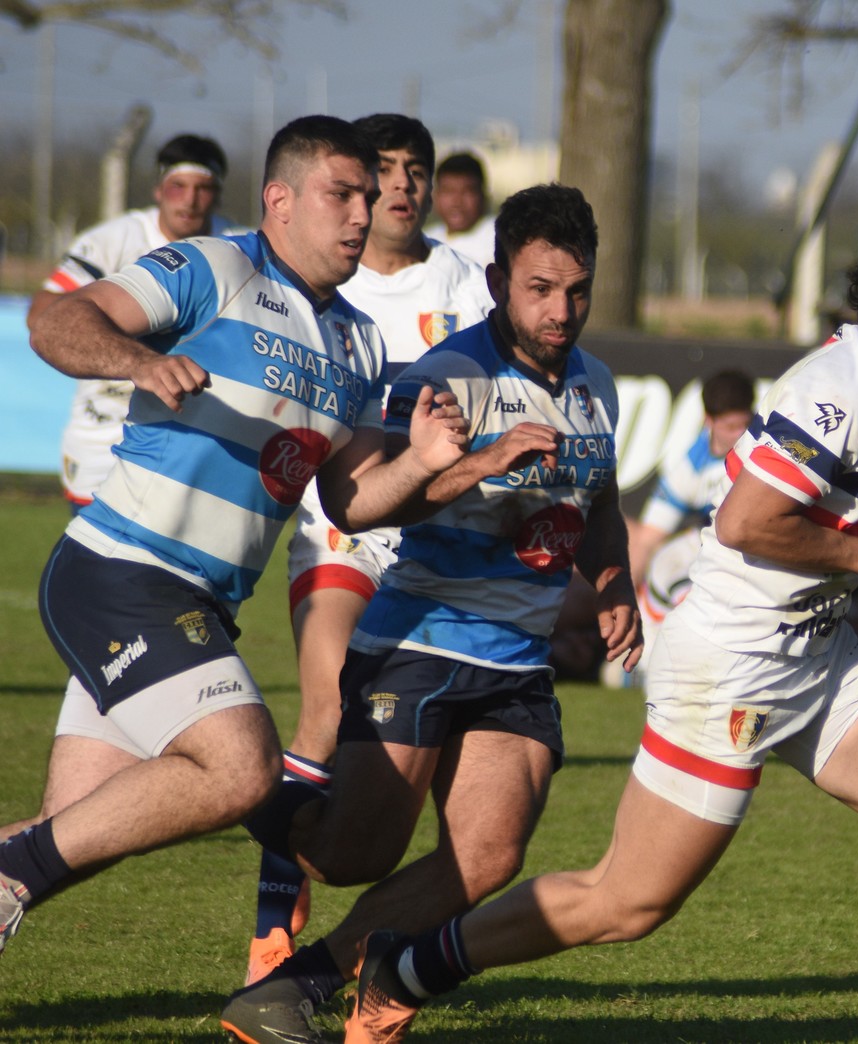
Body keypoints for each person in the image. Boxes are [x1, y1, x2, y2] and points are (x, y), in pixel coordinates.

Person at [334, 205, 858, 1044]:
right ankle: (406, 968)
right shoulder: (851, 382)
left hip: (820, 653)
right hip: (730, 666)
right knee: (626, 901)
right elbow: (747, 523)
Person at [0, 115, 472, 963]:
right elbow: (58, 323)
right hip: (122, 573)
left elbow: (353, 498)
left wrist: (428, 465)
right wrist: (137, 361)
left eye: (369, 196)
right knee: (242, 768)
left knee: (63, 837)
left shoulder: (357, 339)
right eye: (343, 194)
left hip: (200, 605)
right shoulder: (216, 268)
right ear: (280, 200)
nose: (364, 213)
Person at [219, 183, 641, 1044]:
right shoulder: (447, 379)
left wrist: (615, 583)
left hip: (517, 661)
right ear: (496, 282)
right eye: (539, 289)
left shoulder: (596, 385)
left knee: (486, 859)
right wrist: (480, 461)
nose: (561, 310)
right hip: (421, 641)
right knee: (352, 857)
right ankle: (231, 784)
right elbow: (375, 506)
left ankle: (301, 982)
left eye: (577, 289)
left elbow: (599, 501)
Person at [246, 113, 493, 986]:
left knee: (440, 756)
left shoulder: (467, 284)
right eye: (380, 171)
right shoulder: (331, 283)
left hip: (437, 543)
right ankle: (275, 920)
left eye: (413, 170)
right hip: (342, 522)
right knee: (327, 698)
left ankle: (402, 924)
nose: (399, 186)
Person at [29, 134, 233, 512]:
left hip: (193, 433)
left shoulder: (236, 247)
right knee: (91, 560)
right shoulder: (113, 240)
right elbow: (42, 315)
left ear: (219, 195)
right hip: (103, 429)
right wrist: (137, 351)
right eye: (178, 186)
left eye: (204, 188)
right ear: (158, 190)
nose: (189, 200)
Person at [625, 368, 756, 586]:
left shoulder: (764, 449)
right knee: (627, 534)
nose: (741, 434)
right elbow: (648, 540)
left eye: (746, 424)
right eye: (731, 427)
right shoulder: (689, 470)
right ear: (709, 421)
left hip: (757, 556)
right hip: (716, 556)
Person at [426, 152, 496, 266]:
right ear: (435, 196)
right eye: (448, 191)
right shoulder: (425, 241)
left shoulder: (500, 239)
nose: (457, 202)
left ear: (484, 196)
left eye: (467, 191)